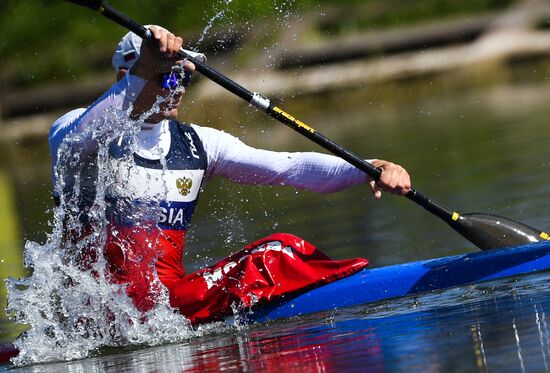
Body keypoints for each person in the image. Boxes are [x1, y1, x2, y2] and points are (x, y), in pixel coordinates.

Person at [48, 26, 411, 324]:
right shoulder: (78, 134)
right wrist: (146, 66)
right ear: (124, 77)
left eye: (181, 78)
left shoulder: (200, 145)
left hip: (166, 312)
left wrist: (369, 168)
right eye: (164, 76)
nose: (175, 88)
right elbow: (83, 134)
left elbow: (289, 167)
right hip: (92, 320)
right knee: (276, 252)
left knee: (281, 248)